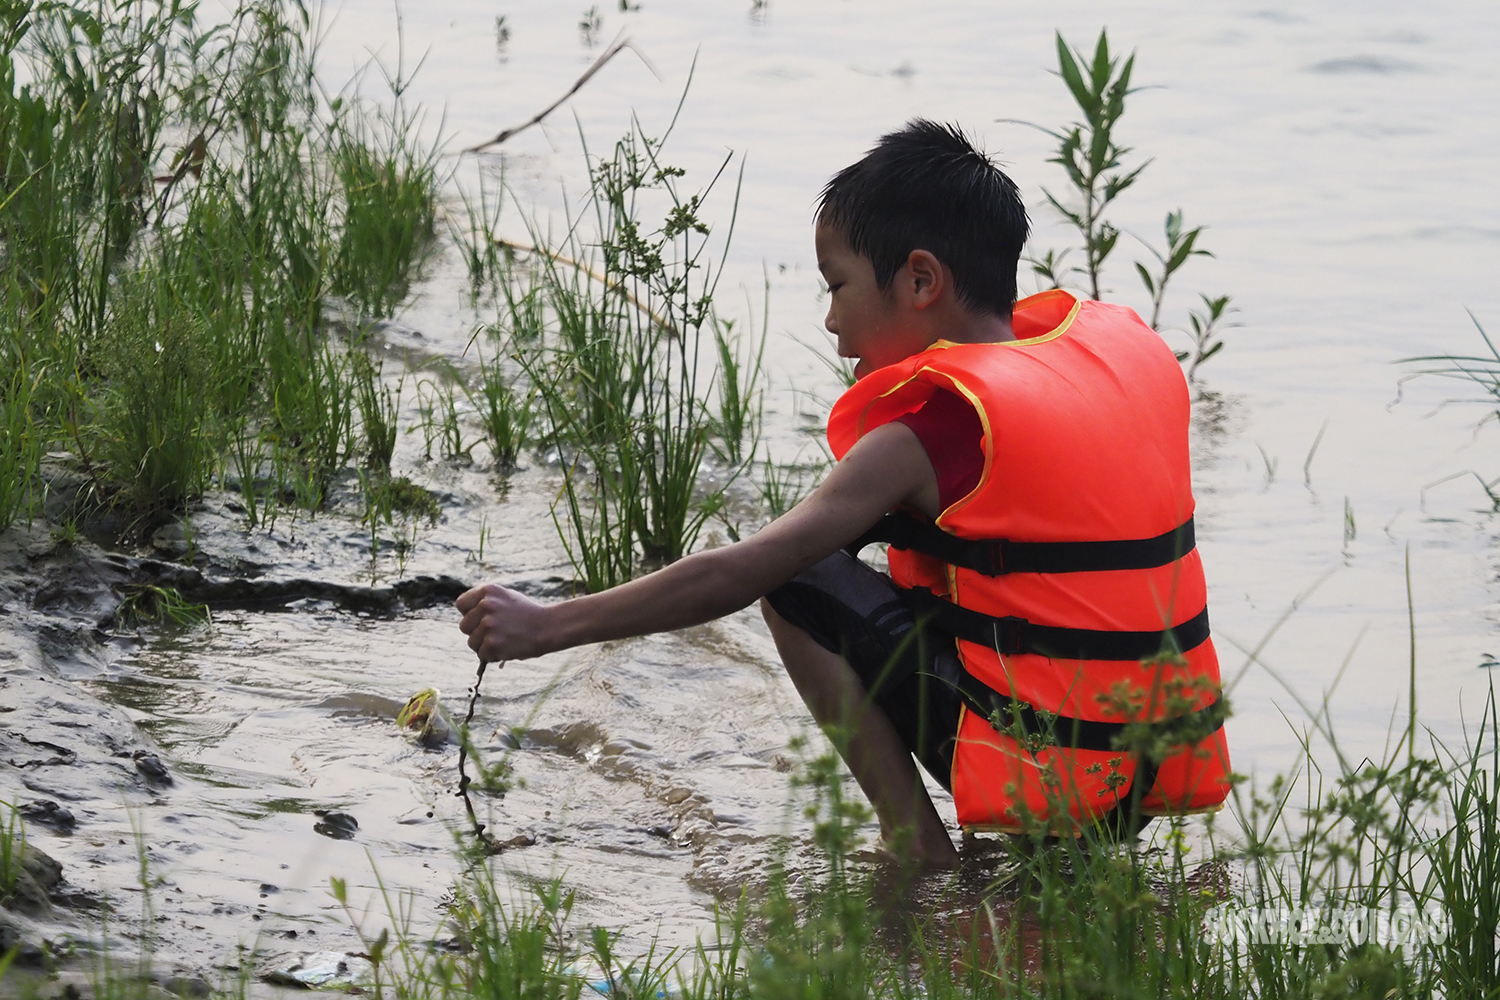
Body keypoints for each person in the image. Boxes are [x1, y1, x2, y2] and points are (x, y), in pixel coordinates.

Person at [457, 120, 1232, 868]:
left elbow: (742, 571)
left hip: (1050, 766)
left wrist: (548, 625)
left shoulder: (924, 435)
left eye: (839, 287)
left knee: (798, 578)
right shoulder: (1111, 364)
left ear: (921, 279)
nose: (831, 320)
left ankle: (918, 852)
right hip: (1149, 761)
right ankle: (1046, 859)